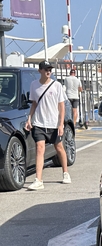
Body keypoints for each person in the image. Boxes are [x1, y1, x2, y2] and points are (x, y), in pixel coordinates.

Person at [24, 61, 71, 190]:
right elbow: (34, 103)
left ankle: (65, 172)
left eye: (50, 69)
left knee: (59, 147)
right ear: (40, 71)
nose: (48, 71)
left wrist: (61, 124)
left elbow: (62, 106)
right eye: (45, 69)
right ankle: (38, 180)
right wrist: (29, 119)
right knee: (40, 148)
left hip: (54, 123)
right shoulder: (34, 85)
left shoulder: (56, 86)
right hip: (39, 123)